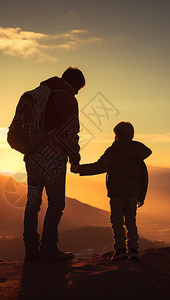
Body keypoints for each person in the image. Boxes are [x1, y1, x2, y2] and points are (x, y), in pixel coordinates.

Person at [23, 67, 84, 263]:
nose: (77, 93)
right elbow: (69, 134)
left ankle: (31, 249)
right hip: (53, 160)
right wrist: (75, 159)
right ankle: (49, 248)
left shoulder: (41, 93)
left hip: (31, 158)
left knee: (32, 204)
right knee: (56, 203)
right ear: (74, 84)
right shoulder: (66, 99)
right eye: (78, 89)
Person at [71, 121, 151, 260]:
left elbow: (100, 166)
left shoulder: (114, 150)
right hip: (132, 194)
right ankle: (133, 250)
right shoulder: (138, 154)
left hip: (117, 194)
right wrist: (141, 196)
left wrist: (80, 169)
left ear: (117, 136)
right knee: (131, 222)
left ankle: (120, 250)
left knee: (117, 222)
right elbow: (144, 177)